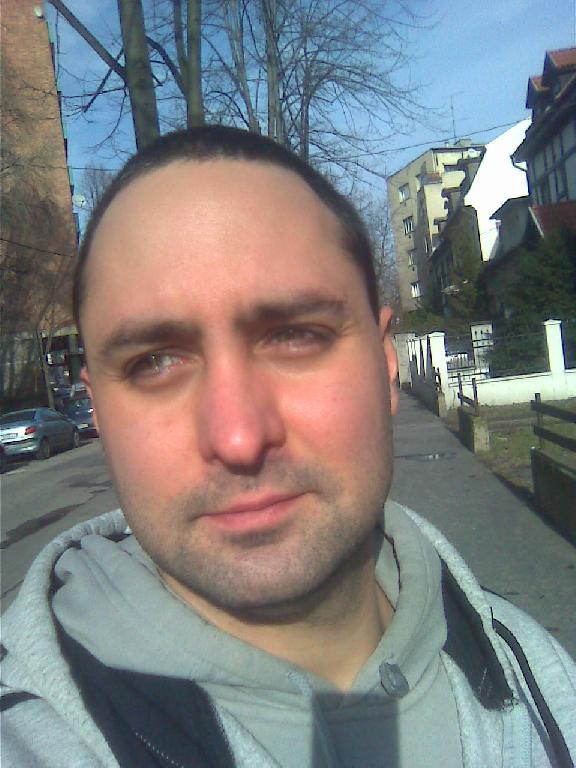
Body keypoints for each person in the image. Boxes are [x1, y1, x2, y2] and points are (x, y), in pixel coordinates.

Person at [1, 125, 574, 768]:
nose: (239, 438)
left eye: (297, 335)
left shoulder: (537, 669)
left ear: (387, 363)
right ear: (98, 411)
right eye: (153, 361)